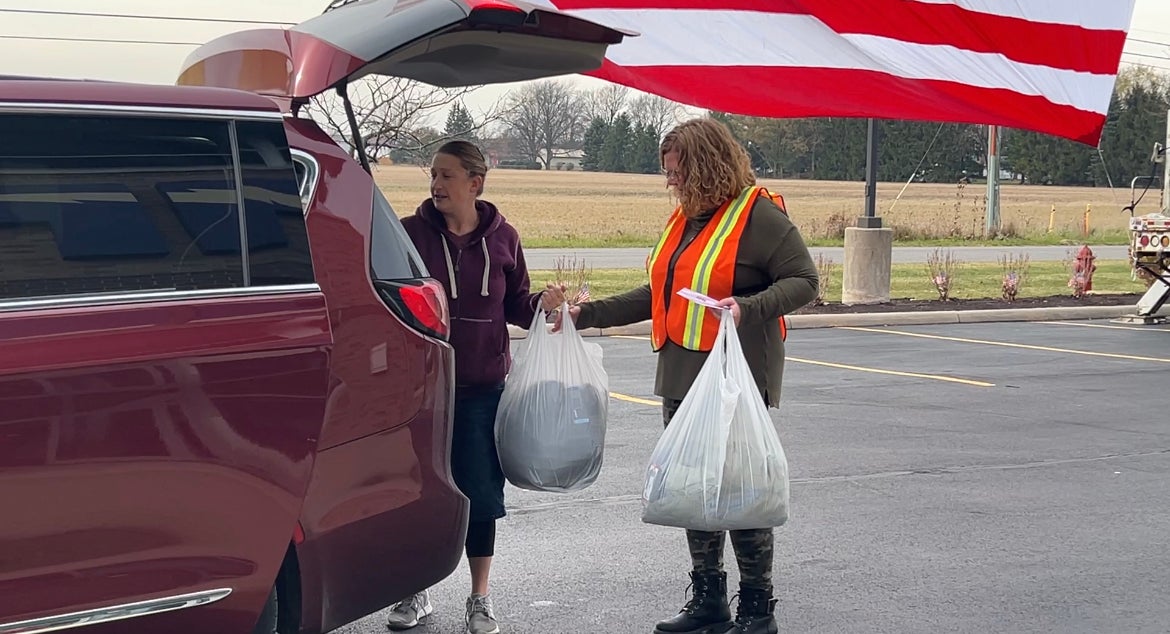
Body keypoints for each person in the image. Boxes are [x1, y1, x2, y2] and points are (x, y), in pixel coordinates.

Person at [558, 117, 818, 634]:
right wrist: (584, 314)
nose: (669, 181)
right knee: (693, 489)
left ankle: (757, 607)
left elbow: (804, 281)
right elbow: (658, 296)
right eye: (667, 172)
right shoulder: (686, 221)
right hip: (681, 372)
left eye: (676, 171)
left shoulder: (757, 215)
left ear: (706, 165)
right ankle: (709, 598)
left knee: (740, 491)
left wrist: (749, 306)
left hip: (734, 378)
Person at [389, 140, 564, 634]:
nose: (436, 185)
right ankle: (414, 591)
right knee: (419, 491)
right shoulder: (408, 235)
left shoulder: (504, 237)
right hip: (422, 391)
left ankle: (479, 598)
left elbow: (515, 306)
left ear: (475, 183)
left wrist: (544, 305)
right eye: (434, 175)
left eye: (447, 176)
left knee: (480, 495)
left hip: (483, 392)